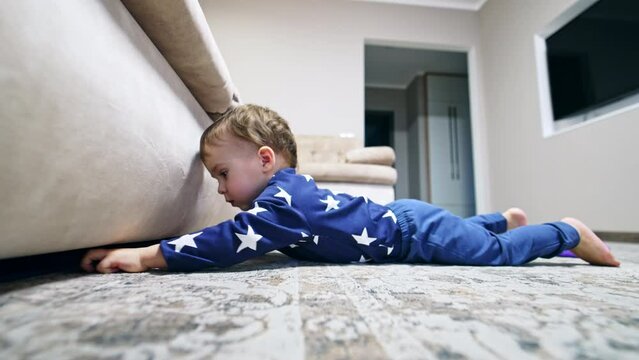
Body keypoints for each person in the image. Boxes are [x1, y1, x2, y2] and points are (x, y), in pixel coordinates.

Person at [81, 104, 620, 273]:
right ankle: (500, 218)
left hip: (413, 235)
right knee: (468, 234)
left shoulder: (280, 205)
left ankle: (559, 231)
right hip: (406, 223)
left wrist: (150, 254)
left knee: (491, 258)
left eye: (222, 173)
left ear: (265, 160)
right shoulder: (287, 192)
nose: (220, 188)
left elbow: (227, 242)